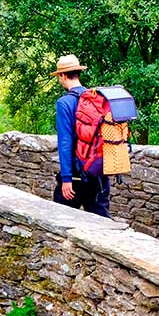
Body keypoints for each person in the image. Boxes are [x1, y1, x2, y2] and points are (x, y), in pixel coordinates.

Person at [52, 54, 111, 218]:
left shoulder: (64, 103)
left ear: (63, 76)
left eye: (59, 76)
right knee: (103, 225)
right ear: (77, 73)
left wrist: (66, 179)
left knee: (59, 220)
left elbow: (65, 142)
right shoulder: (96, 98)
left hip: (76, 177)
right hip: (98, 172)